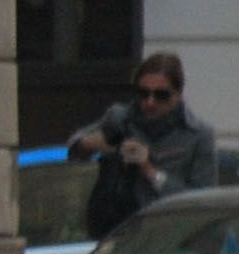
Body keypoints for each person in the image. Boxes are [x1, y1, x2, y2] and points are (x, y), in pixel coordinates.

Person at [69, 51, 220, 239]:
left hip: (170, 238)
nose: (150, 102)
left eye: (161, 95)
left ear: (178, 94)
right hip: (119, 233)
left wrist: (150, 170)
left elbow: (203, 202)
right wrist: (104, 146)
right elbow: (75, 145)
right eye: (143, 93)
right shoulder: (121, 117)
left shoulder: (197, 135)